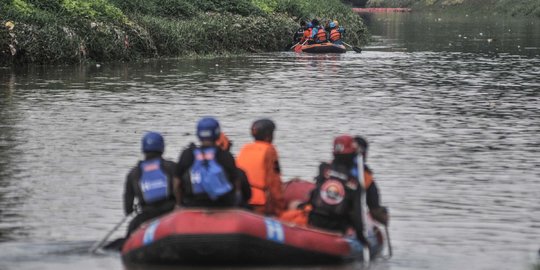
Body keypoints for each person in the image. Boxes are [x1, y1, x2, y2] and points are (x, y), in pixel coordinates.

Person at [314, 135, 389, 226]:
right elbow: (374, 209)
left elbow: (316, 190)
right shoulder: (364, 177)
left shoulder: (326, 168)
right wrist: (383, 215)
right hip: (343, 223)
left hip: (316, 217)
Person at [173, 117, 241, 208]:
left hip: (193, 204)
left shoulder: (188, 154)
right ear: (217, 134)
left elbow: (177, 183)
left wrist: (179, 204)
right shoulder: (225, 155)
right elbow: (236, 182)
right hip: (221, 205)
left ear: (198, 134)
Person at [123, 132, 177, 236]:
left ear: (143, 149)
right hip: (171, 214)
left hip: (146, 217)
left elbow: (128, 209)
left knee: (131, 230)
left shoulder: (133, 173)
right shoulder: (172, 167)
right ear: (162, 147)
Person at [236, 118, 285, 216]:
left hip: (242, 200)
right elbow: (274, 181)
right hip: (260, 203)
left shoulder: (245, 148)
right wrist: (280, 208)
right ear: (268, 135)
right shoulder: (270, 150)